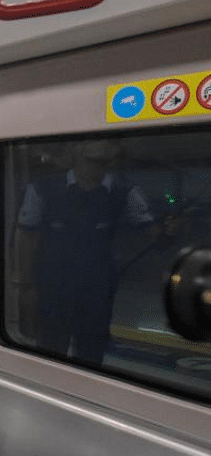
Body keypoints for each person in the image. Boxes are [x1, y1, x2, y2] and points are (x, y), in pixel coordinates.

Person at [15, 140, 157, 368]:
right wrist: (26, 284)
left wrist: (167, 232)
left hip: (98, 286)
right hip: (53, 283)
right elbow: (26, 237)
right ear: (77, 156)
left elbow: (150, 230)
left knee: (92, 350)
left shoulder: (125, 192)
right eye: (92, 161)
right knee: (51, 347)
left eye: (104, 162)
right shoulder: (43, 188)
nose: (97, 168)